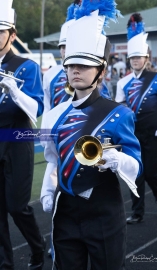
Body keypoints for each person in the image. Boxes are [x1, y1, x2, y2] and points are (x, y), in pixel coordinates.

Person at [40, 2, 142, 269]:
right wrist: (47, 190)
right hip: (65, 214)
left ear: (102, 70)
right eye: (71, 64)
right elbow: (53, 160)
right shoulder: (53, 116)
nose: (76, 70)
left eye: (84, 65)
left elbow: (136, 164)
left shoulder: (119, 113)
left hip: (104, 213)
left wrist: (118, 159)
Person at [0, 1, 45, 269]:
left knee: (17, 207)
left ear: (12, 35)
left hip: (17, 140)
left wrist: (15, 92)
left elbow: (35, 109)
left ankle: (37, 247)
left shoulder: (26, 67)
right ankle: (5, 264)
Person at [115, 13, 157, 224]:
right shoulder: (123, 83)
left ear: (146, 59)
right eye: (133, 58)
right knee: (135, 174)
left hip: (154, 134)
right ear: (129, 60)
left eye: (139, 57)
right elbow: (121, 108)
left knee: (154, 175)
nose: (136, 60)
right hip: (133, 135)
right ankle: (137, 213)